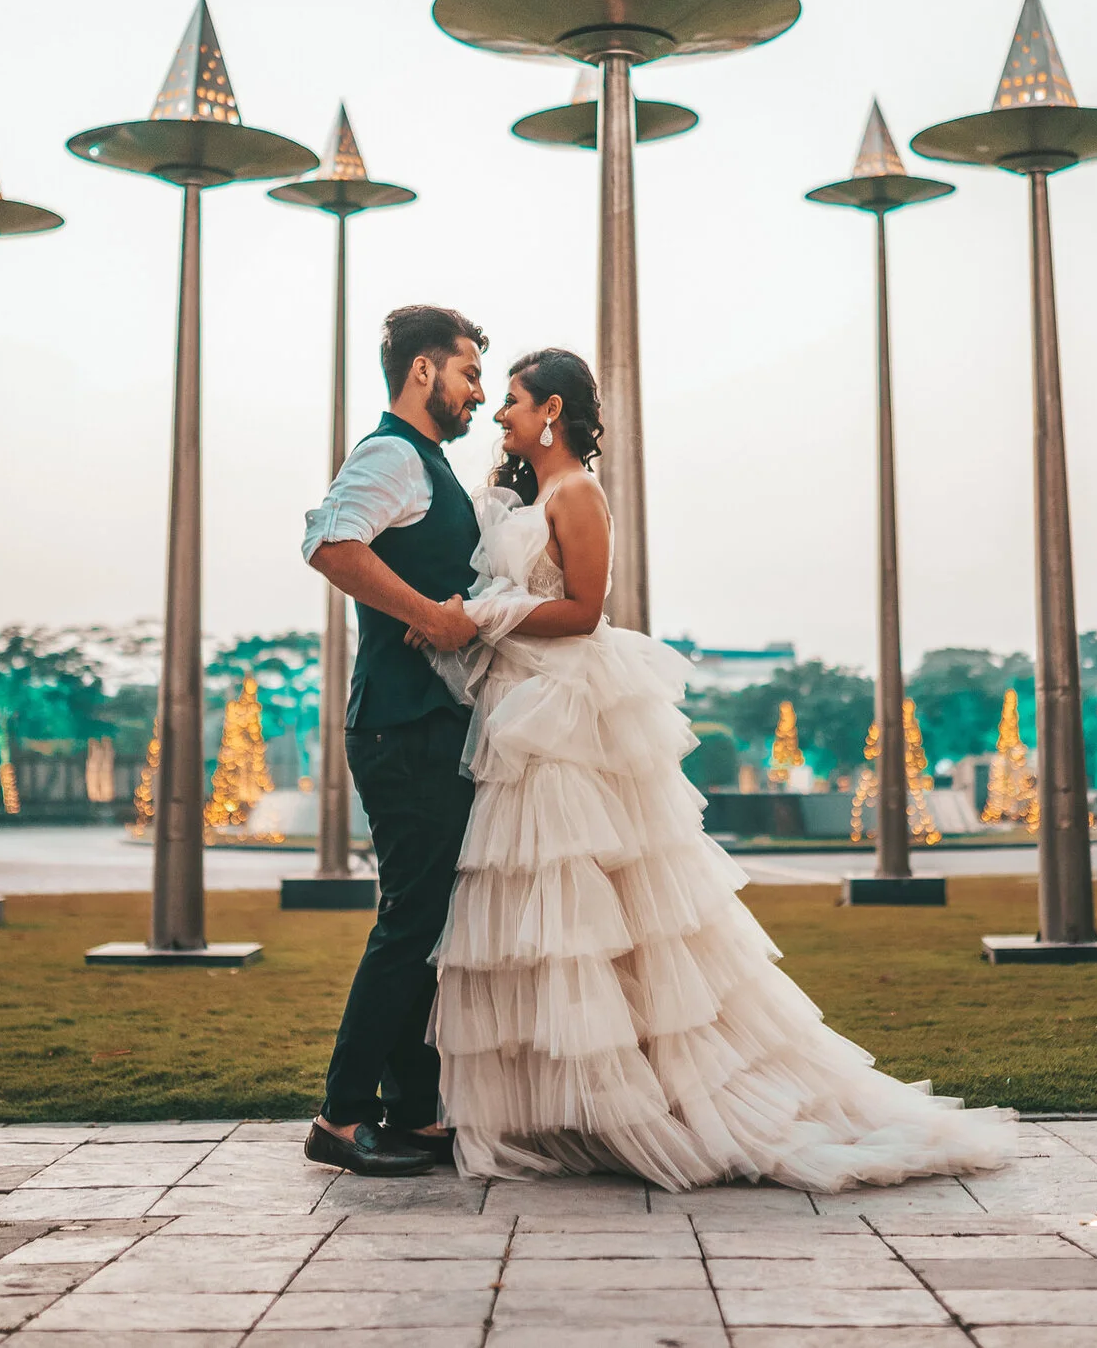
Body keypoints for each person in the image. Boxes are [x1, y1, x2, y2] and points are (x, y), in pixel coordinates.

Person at [421, 349, 1015, 1191]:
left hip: (563, 722)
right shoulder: (523, 495)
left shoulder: (578, 495)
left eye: (511, 400)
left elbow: (585, 609)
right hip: (520, 718)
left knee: (588, 911)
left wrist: (483, 614)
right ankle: (559, 1108)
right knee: (535, 916)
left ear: (551, 408)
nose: (499, 414)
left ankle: (637, 1104)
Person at [299, 306, 488, 1178]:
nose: (478, 391)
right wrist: (429, 618)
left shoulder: (431, 466)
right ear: (422, 371)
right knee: (411, 916)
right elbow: (330, 544)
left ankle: (412, 1110)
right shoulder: (392, 455)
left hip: (427, 723)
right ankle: (340, 1118)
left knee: (429, 918)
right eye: (468, 373)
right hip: (397, 723)